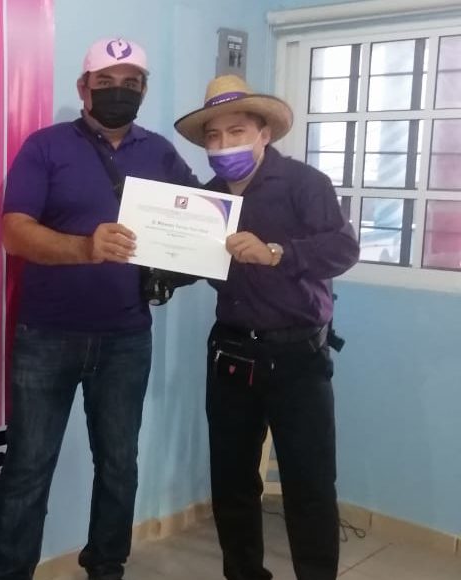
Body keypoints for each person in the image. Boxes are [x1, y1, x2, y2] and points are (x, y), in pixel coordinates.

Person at [0, 38, 199, 580]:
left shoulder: (160, 153)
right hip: (46, 336)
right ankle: (9, 573)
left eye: (131, 83)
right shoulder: (45, 146)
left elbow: (200, 223)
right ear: (83, 88)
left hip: (127, 337)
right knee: (28, 466)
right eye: (105, 82)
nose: (118, 91)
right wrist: (85, 247)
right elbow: (14, 233)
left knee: (119, 465)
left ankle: (107, 567)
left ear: (144, 89)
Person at [173, 74, 360, 580]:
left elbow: (344, 249)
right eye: (214, 136)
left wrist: (277, 252)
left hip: (298, 357)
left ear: (264, 133)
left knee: (310, 485)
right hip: (231, 354)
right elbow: (188, 264)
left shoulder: (305, 184)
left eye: (236, 131)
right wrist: (151, 259)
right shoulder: (208, 200)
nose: (224, 145)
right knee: (232, 483)